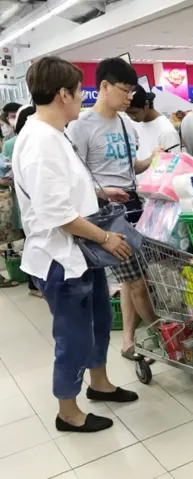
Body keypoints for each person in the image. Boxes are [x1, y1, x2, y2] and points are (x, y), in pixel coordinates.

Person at [13, 56, 139, 433]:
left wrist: (101, 195)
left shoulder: (56, 134)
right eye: (79, 91)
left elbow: (67, 191)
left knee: (101, 321)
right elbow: (57, 215)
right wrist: (106, 237)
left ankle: (99, 384)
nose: (82, 98)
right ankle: (68, 411)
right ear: (62, 93)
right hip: (61, 258)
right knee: (72, 336)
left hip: (82, 255)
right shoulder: (39, 143)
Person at [66, 57, 160, 362]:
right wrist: (101, 191)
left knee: (131, 280)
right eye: (125, 89)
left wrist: (154, 159)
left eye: (133, 91)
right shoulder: (81, 127)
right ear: (104, 86)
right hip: (106, 214)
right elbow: (72, 179)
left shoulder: (125, 123)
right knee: (137, 282)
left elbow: (132, 165)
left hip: (134, 207)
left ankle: (129, 340)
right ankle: (163, 334)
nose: (130, 96)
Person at [1, 105, 42, 296]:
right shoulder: (11, 144)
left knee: (32, 237)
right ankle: (34, 283)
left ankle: (36, 281)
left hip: (30, 196)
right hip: (22, 197)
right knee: (31, 237)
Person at [126, 85, 181, 159]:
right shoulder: (133, 123)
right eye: (127, 113)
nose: (131, 117)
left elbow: (174, 165)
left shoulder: (167, 132)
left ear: (146, 104)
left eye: (134, 112)